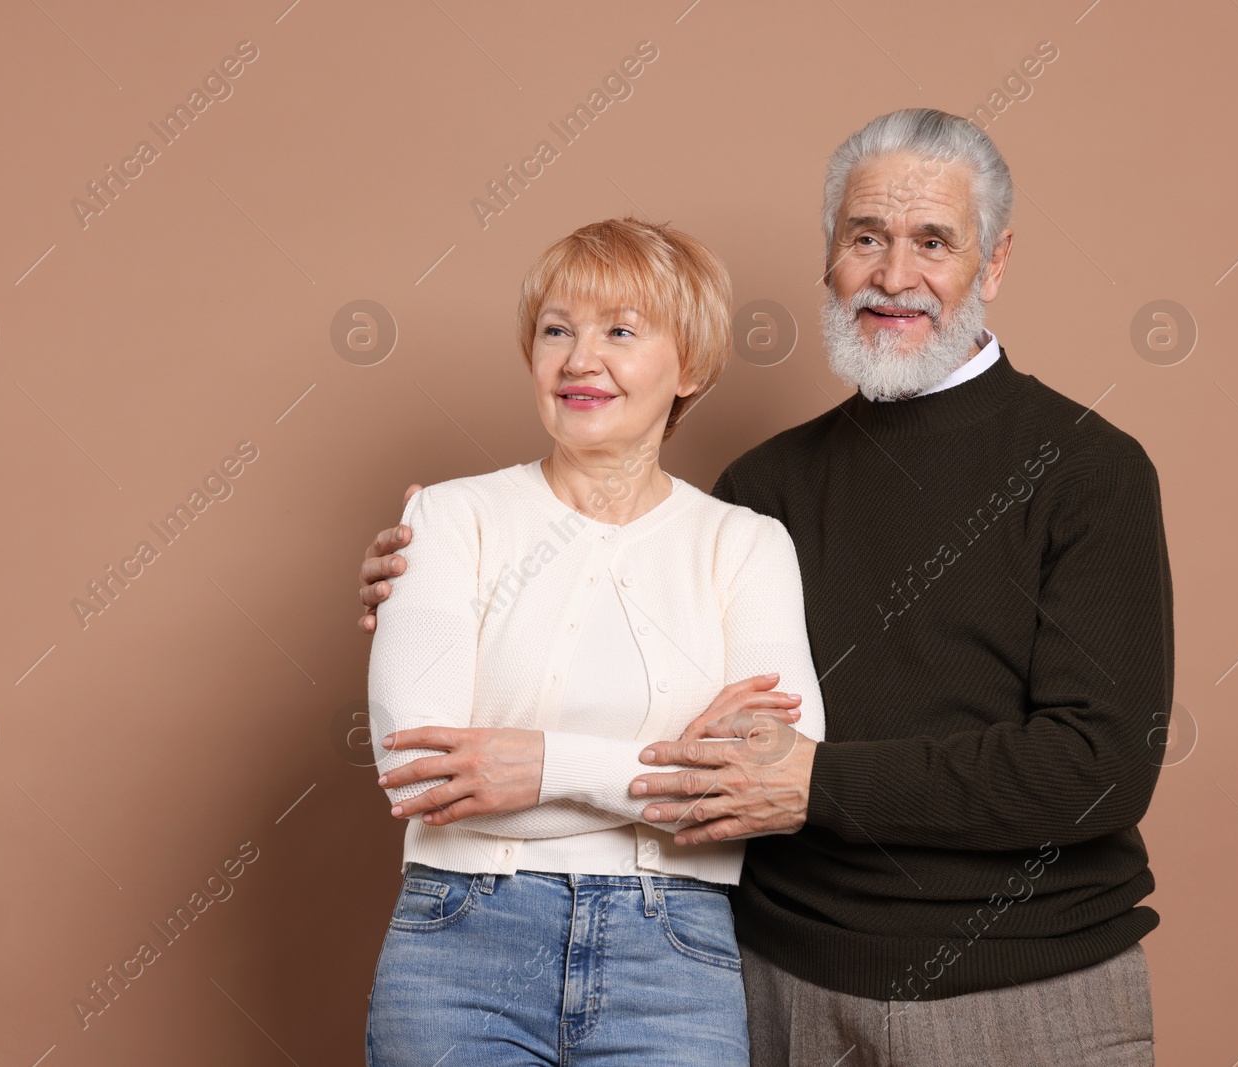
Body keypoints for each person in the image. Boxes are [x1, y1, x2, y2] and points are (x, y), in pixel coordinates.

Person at [360, 109, 1172, 1066]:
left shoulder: (1088, 470)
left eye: (933, 243)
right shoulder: (764, 491)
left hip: (1026, 985)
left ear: (992, 265)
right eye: (865, 238)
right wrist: (441, 579)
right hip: (785, 986)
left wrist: (814, 781)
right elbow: (648, 711)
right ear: (829, 259)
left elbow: (1101, 766)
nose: (894, 275)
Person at [362, 216, 827, 1067]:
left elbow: (770, 781)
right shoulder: (448, 518)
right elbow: (415, 770)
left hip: (674, 959)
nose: (580, 359)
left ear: (689, 364)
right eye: (556, 330)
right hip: (460, 942)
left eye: (620, 330)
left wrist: (538, 764)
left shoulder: (746, 544)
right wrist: (673, 768)